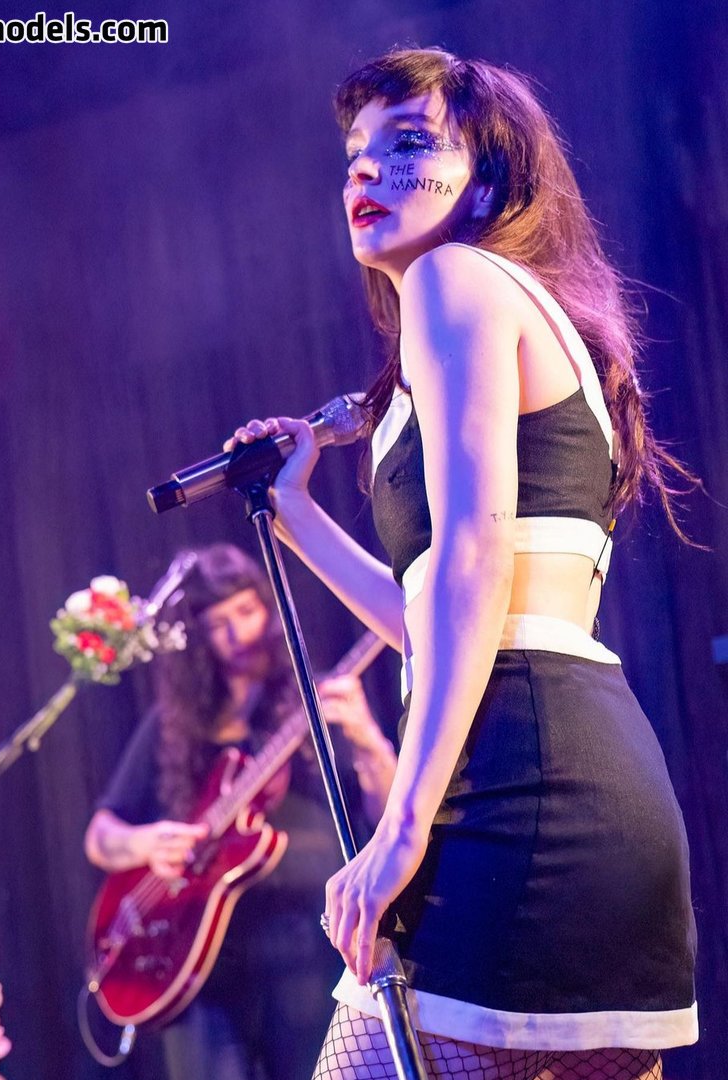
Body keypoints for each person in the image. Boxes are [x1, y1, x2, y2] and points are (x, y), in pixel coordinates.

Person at [224, 47, 698, 1080]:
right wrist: (294, 512)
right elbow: (438, 612)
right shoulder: (520, 311)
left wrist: (398, 833)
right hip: (587, 780)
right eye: (354, 153)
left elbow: (472, 559)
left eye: (407, 145)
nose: (364, 171)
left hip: (514, 789)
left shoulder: (455, 279)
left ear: (485, 180)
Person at [84, 543, 397, 1080]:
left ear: (268, 611)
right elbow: (100, 834)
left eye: (247, 612)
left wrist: (367, 738)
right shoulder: (173, 724)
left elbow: (390, 813)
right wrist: (146, 843)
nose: (237, 634)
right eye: (218, 624)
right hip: (197, 962)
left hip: (305, 949)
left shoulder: (317, 699)